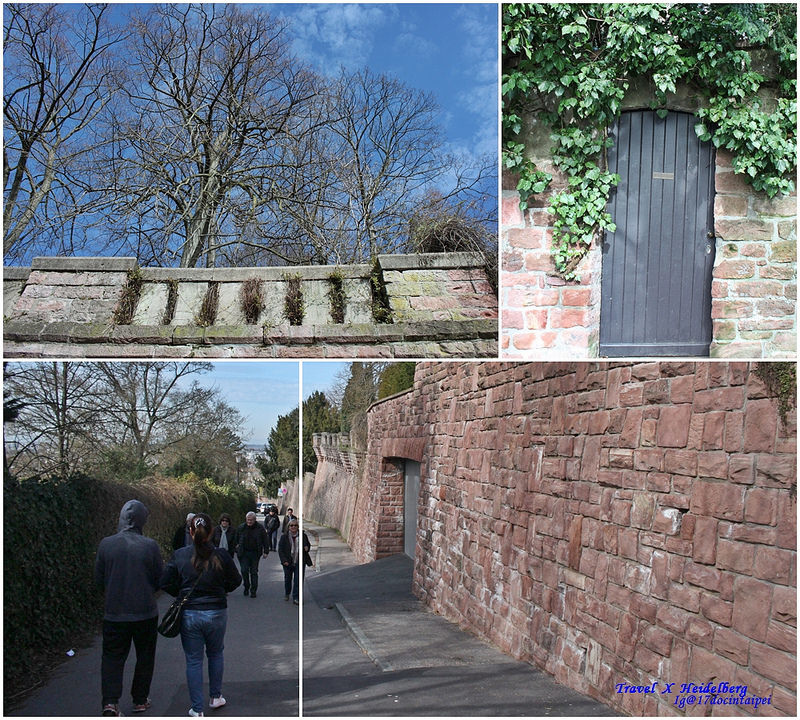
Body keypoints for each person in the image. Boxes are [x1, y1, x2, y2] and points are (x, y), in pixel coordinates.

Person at [160, 513, 241, 717]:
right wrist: (222, 590)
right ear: (211, 531)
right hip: (216, 611)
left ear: (190, 531)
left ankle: (197, 708)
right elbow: (236, 580)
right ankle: (215, 697)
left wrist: (182, 594)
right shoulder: (221, 555)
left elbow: (165, 581)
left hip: (190, 614)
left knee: (194, 660)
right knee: (215, 653)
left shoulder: (180, 555)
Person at [95, 499, 164, 717]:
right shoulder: (150, 546)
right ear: (142, 519)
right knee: (145, 656)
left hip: (115, 612)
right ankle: (140, 700)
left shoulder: (106, 544)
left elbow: (99, 580)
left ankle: (110, 702)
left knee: (112, 657)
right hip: (145, 611)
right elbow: (159, 579)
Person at [234, 511, 268, 598]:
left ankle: (253, 590)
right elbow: (236, 538)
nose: (249, 522)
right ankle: (246, 586)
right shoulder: (241, 527)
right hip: (243, 553)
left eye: (251, 520)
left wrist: (266, 551)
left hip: (255, 553)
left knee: (253, 572)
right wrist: (236, 546)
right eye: (248, 520)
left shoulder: (260, 528)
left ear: (255, 520)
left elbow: (265, 540)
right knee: (244, 570)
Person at [278, 518, 303, 605]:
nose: (293, 527)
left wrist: (307, 547)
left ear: (298, 527)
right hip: (287, 562)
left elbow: (307, 544)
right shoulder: (284, 537)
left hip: (298, 561)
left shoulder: (302, 536)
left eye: (295, 525)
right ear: (288, 527)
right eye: (291, 525)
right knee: (288, 579)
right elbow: (280, 550)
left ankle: (296, 597)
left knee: (298, 580)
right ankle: (287, 593)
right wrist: (284, 560)